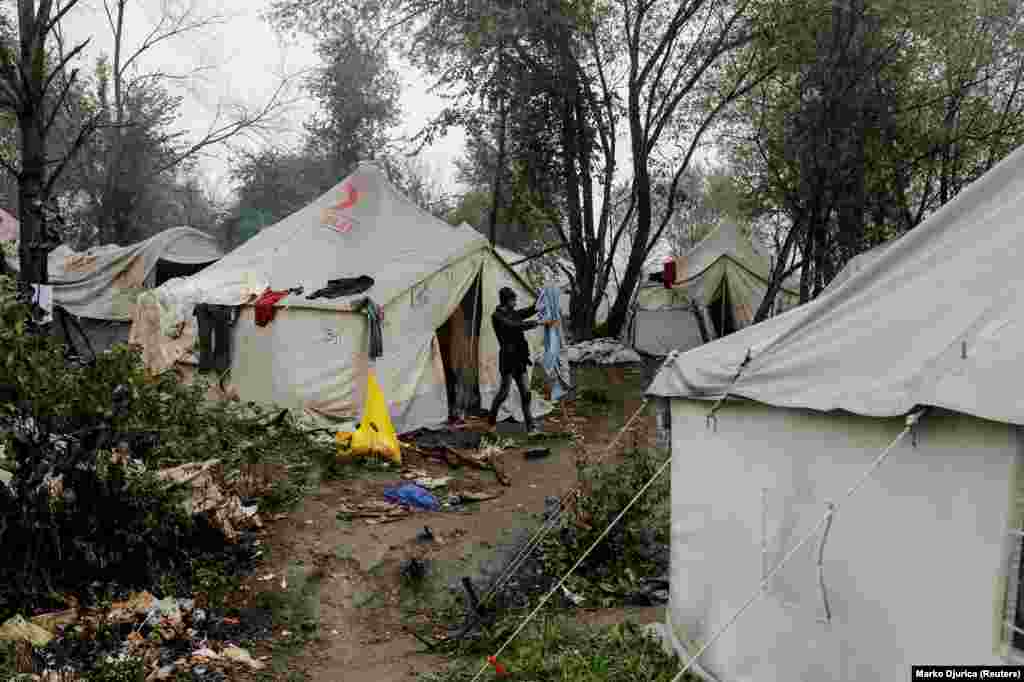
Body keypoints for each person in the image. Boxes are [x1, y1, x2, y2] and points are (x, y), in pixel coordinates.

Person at [488, 286, 549, 434]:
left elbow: (528, 311)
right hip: (508, 359)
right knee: (504, 393)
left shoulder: (512, 313)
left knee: (525, 393)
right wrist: (535, 323)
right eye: (513, 300)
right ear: (507, 301)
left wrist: (541, 300)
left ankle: (530, 427)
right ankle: (490, 421)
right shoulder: (497, 316)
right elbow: (513, 326)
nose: (516, 302)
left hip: (519, 358)